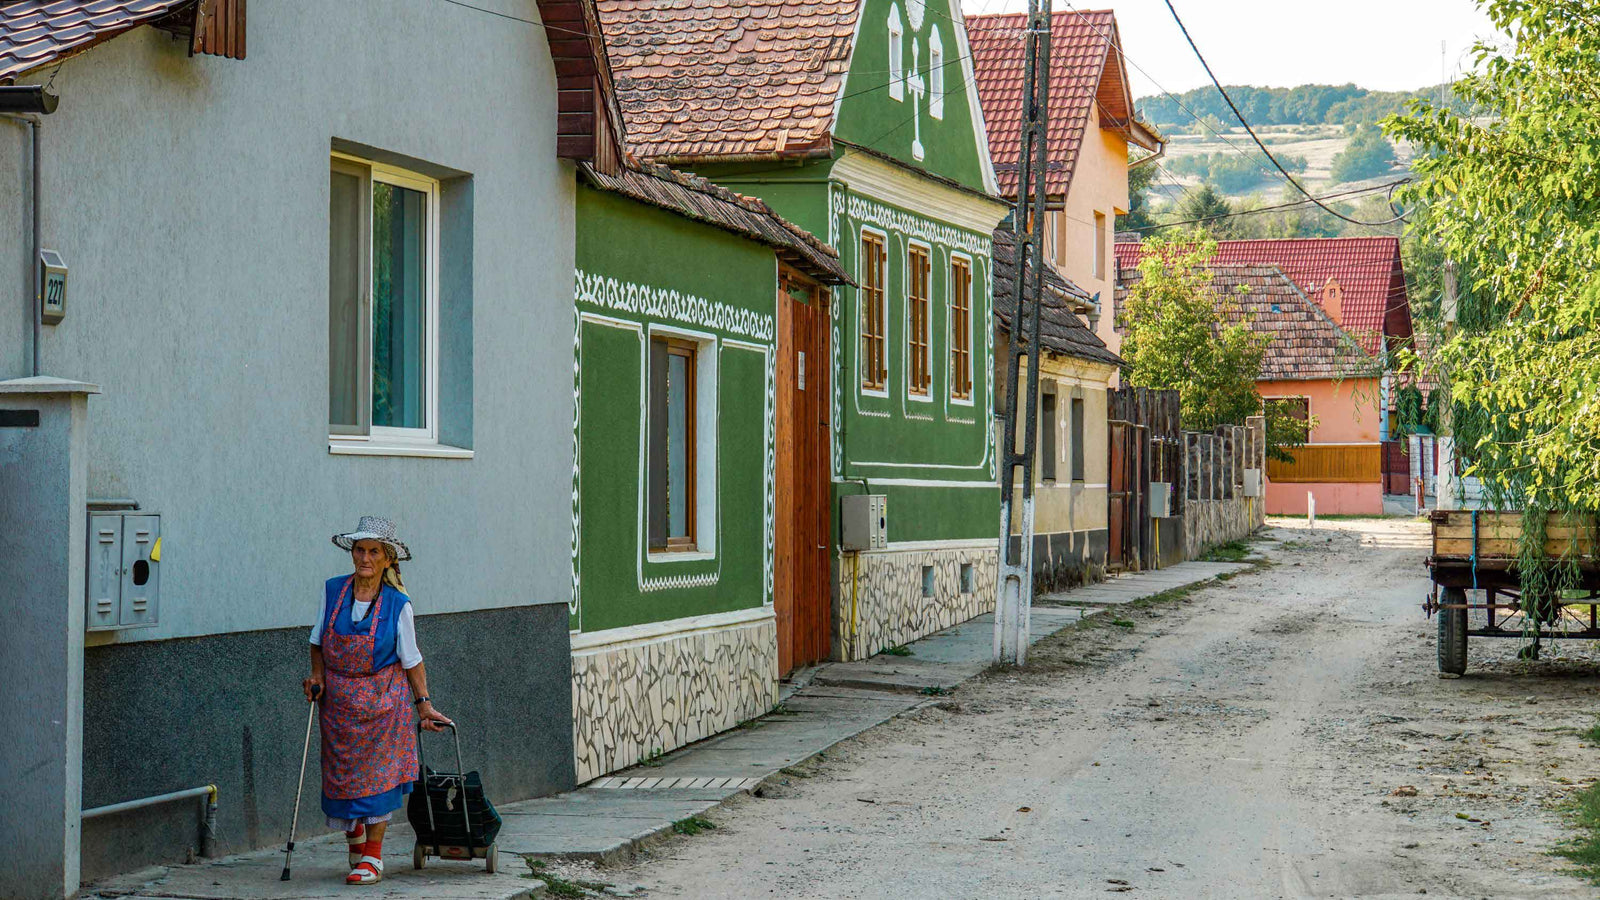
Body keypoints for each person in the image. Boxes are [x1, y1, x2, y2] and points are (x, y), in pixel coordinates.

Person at [303, 516, 450, 885]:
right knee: (341, 778)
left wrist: (424, 704)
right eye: (359, 550)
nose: (365, 558)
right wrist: (318, 676)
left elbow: (412, 659)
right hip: (338, 706)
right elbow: (317, 641)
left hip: (384, 705)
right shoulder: (333, 591)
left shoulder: (398, 604)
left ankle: (373, 856)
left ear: (387, 559)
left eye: (373, 552)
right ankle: (354, 837)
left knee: (378, 780)